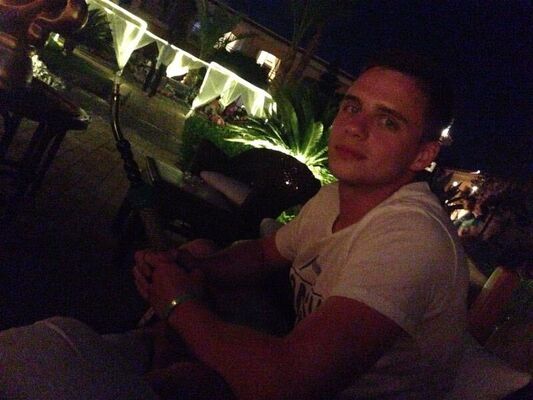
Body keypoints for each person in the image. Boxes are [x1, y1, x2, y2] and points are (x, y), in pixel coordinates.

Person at [0, 51, 468, 400]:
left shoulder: (410, 239)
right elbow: (263, 253)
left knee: (45, 359)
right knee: (203, 257)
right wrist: (187, 268)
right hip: (289, 352)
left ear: (424, 154)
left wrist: (179, 302)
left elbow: (286, 383)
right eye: (352, 107)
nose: (355, 127)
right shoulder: (334, 197)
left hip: (304, 386)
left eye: (388, 122)